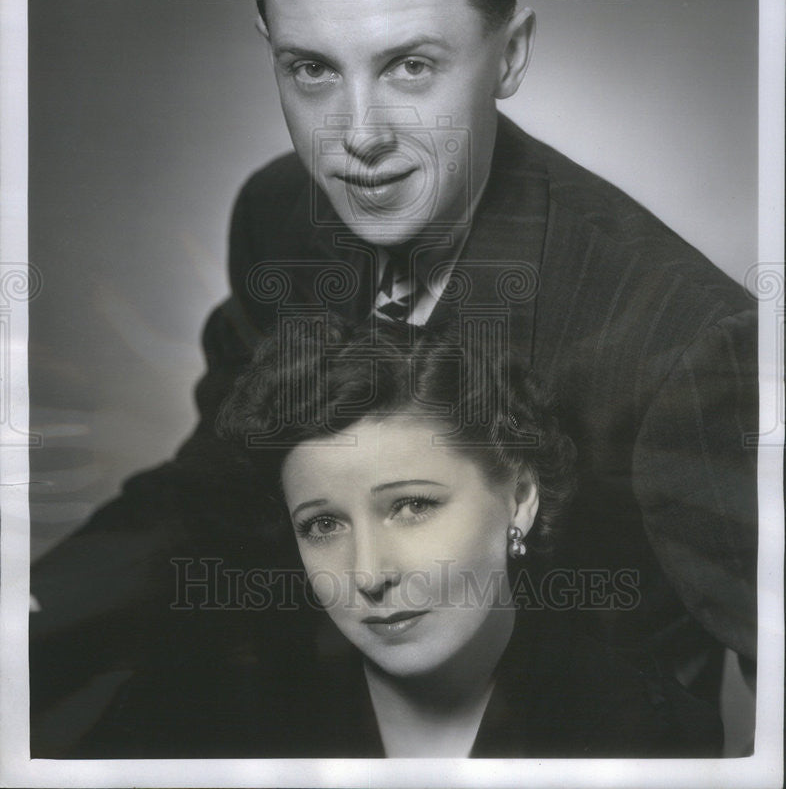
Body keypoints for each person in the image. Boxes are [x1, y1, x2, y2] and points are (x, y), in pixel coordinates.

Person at [30, 0, 757, 752]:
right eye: (313, 70)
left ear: (512, 53)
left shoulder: (686, 340)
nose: (358, 137)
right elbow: (202, 502)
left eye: (410, 66)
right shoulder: (281, 216)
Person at [58, 321, 722, 758]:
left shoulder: (649, 732)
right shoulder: (196, 704)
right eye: (323, 525)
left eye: (411, 506)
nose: (369, 574)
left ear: (520, 496)